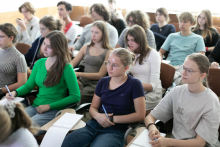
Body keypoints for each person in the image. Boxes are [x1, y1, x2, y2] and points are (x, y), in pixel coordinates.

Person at [62, 48, 146, 147]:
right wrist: (98, 116)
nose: (109, 68)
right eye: (108, 63)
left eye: (114, 65)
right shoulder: (103, 81)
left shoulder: (135, 84)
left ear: (126, 68)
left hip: (116, 129)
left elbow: (140, 115)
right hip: (94, 124)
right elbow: (93, 108)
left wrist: (110, 119)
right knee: (67, 143)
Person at [5, 31, 81, 135]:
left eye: (49, 46)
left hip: (53, 110)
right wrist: (15, 92)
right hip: (35, 106)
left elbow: (75, 96)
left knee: (23, 131)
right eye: (44, 44)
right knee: (8, 124)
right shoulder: (39, 63)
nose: (44, 48)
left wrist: (49, 106)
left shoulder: (66, 68)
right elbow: (28, 85)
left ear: (58, 48)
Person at [145, 53, 220, 147]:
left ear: (202, 75)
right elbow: (150, 117)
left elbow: (200, 143)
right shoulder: (177, 91)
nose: (183, 73)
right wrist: (152, 127)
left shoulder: (211, 101)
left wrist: (167, 142)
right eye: (183, 68)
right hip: (175, 142)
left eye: (189, 70)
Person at [70, 21, 112, 104]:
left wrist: (78, 74)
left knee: (79, 96)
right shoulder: (86, 47)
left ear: (103, 34)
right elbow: (71, 64)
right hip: (81, 81)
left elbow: (100, 75)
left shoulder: (109, 52)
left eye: (96, 32)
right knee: (67, 92)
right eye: (92, 32)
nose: (93, 35)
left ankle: (75, 114)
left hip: (95, 84)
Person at [159, 12, 205, 85]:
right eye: (180, 21)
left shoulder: (198, 38)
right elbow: (161, 52)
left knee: (182, 83)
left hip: (186, 68)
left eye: (185, 22)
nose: (182, 24)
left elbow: (201, 56)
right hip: (169, 66)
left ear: (192, 24)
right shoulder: (172, 36)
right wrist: (160, 59)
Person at [125, 25, 162, 113]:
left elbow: (154, 86)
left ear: (140, 40)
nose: (130, 43)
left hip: (152, 93)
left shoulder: (153, 54)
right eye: (128, 40)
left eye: (133, 40)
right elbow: (124, 74)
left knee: (128, 109)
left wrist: (132, 86)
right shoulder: (131, 53)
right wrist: (127, 57)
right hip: (135, 90)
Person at [0, 23, 27, 99]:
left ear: (11, 38)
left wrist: (1, 90)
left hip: (6, 95)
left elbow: (22, 83)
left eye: (1, 37)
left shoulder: (19, 57)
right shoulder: (1, 51)